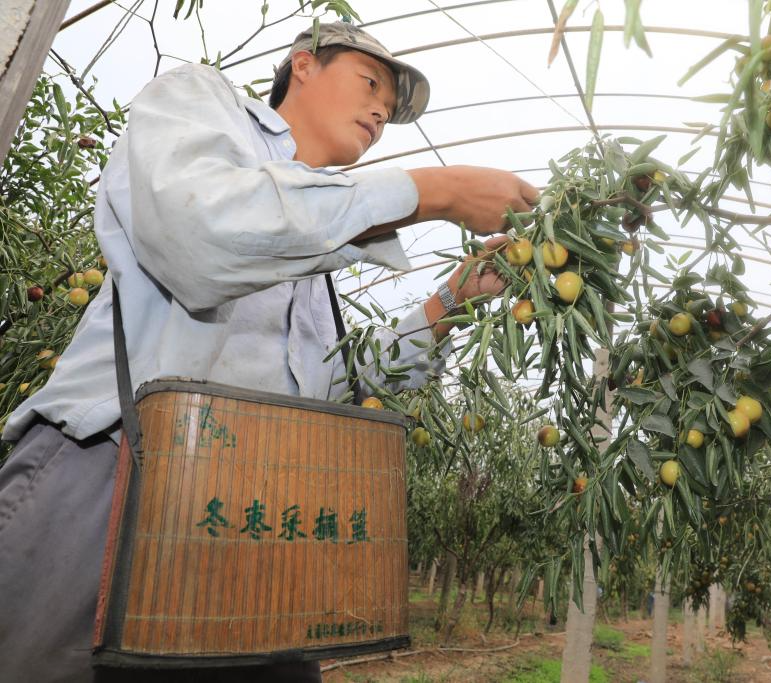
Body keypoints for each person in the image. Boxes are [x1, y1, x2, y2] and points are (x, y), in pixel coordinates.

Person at [0, 21, 537, 683]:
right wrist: (433, 191)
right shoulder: (196, 102)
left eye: (389, 107)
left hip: (245, 522)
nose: (379, 110)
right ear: (303, 64)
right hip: (113, 472)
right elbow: (206, 233)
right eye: (371, 83)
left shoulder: (320, 244)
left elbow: (332, 386)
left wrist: (451, 300)